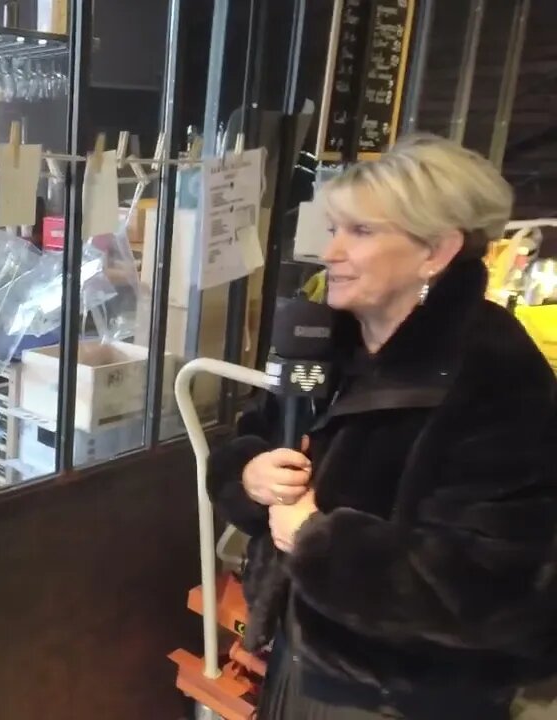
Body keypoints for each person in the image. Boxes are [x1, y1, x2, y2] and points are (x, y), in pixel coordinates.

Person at [207, 134, 557, 719]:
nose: (331, 252)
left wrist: (319, 542)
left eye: (361, 232)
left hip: (407, 697)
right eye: (335, 229)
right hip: (303, 658)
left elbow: (498, 589)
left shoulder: (496, 376)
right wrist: (249, 475)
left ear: (436, 251)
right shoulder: (330, 340)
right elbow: (251, 435)